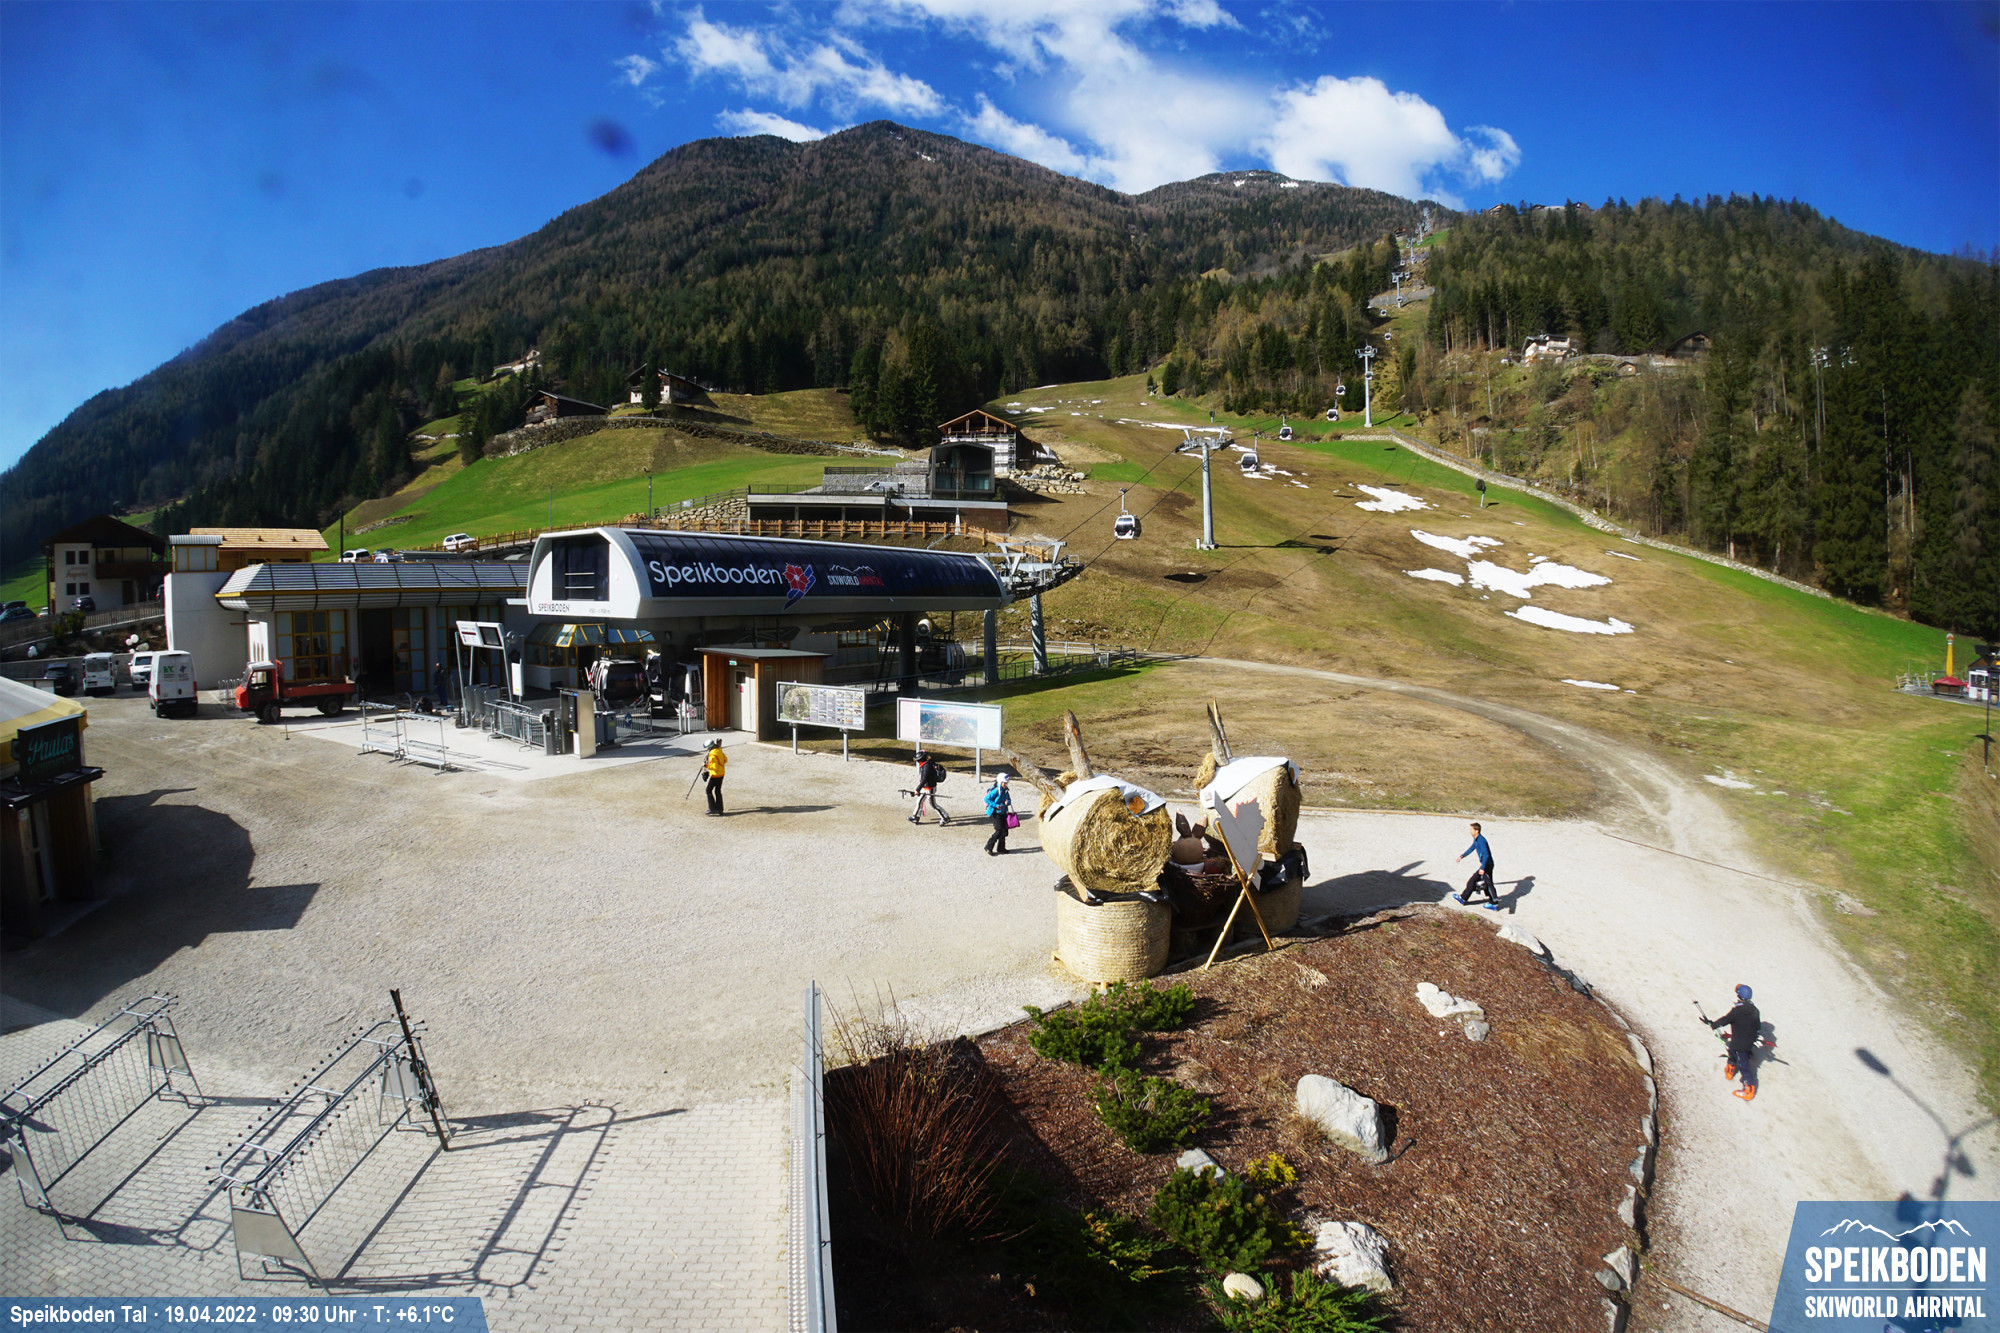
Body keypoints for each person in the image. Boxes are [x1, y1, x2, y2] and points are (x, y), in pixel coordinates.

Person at [1706, 984, 1761, 1101]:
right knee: (1732, 1051)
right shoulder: (1755, 1011)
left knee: (1743, 1065)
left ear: (1739, 996)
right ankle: (1730, 1067)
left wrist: (1714, 1024)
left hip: (1739, 1043)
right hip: (1747, 1042)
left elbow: (1725, 1020)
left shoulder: (1737, 1011)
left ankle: (1749, 1089)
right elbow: (1757, 1027)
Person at [1454, 821, 1498, 909]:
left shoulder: (1482, 840)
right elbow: (1472, 848)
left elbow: (1486, 854)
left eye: (1471, 830)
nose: (1470, 832)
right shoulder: (1476, 839)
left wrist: (1483, 868)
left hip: (1487, 865)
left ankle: (1494, 903)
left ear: (1477, 831)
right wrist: (1462, 856)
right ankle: (1463, 898)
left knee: (1482, 883)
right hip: (1485, 865)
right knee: (1483, 883)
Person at [910, 751, 946, 825]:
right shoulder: (926, 764)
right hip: (925, 787)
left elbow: (924, 780)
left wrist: (917, 790)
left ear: (921, 760)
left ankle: (945, 818)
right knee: (919, 801)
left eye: (918, 761)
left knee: (933, 805)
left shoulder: (927, 767)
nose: (918, 762)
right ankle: (915, 817)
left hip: (930, 788)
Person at [983, 773, 1014, 855]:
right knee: (999, 831)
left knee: (1004, 831)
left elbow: (1009, 800)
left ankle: (1001, 848)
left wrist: (1008, 802)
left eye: (1006, 783)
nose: (1006, 784)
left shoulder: (1006, 790)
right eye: (1004, 783)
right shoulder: (996, 790)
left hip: (1003, 812)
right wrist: (996, 805)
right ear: (1000, 782)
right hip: (995, 813)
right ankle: (988, 847)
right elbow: (986, 799)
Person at [702, 738, 727, 816]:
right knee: (717, 791)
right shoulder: (719, 750)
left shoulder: (712, 755)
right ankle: (720, 809)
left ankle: (712, 808)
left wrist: (706, 765)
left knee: (708, 790)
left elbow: (715, 767)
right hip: (721, 774)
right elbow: (725, 760)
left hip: (715, 775)